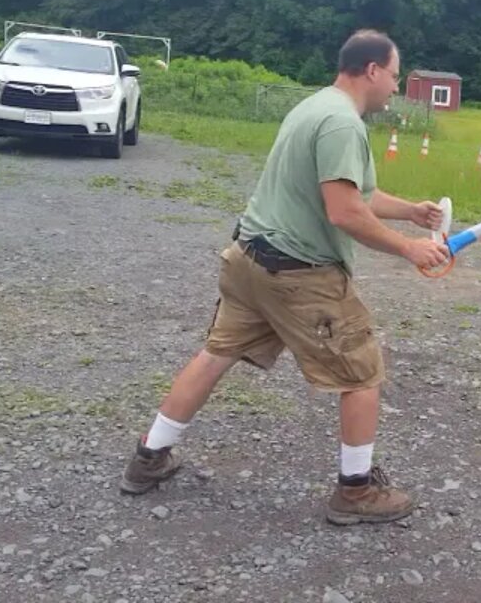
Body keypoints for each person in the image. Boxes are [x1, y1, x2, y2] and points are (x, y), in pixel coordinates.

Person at [119, 30, 450, 526]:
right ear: (373, 70)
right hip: (298, 275)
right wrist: (409, 249)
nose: (395, 87)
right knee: (362, 374)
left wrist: (411, 213)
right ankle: (356, 493)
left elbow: (357, 193)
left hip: (247, 260)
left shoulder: (316, 106)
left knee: (216, 354)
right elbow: (343, 212)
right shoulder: (342, 124)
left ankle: (148, 458)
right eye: (396, 75)